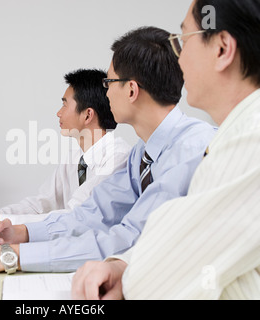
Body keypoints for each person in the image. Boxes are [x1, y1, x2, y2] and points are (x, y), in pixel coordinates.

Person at [0, 26, 216, 275]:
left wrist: (8, 255)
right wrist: (19, 233)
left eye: (109, 83)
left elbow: (130, 239)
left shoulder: (190, 150)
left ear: (131, 90)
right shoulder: (142, 153)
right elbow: (93, 214)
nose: (105, 94)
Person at [72, 0, 260, 300]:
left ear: (222, 49)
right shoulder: (230, 137)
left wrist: (131, 271)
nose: (178, 59)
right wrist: (124, 266)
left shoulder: (250, 140)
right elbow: (186, 246)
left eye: (182, 41)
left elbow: (156, 280)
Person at [0, 69, 131, 230]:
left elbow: (76, 215)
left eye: (65, 104)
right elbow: (42, 203)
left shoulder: (117, 158)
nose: (59, 113)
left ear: (87, 115)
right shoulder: (75, 157)